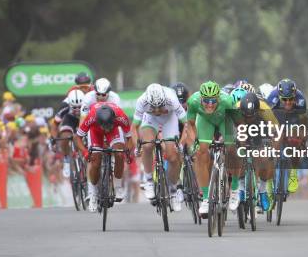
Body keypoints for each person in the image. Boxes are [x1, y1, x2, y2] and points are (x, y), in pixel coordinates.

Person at [180, 81, 241, 217]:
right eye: (206, 100)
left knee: (232, 149)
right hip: (205, 121)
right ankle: (206, 198)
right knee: (201, 153)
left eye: (213, 100)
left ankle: (235, 189)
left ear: (218, 98)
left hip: (225, 120)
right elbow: (190, 124)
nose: (210, 104)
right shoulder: (193, 102)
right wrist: (194, 143)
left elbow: (239, 123)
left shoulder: (228, 101)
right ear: (201, 98)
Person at [132, 83, 187, 211]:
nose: (157, 111)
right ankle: (149, 180)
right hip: (150, 120)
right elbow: (134, 127)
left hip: (169, 120)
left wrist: (181, 143)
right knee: (147, 145)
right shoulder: (142, 101)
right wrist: (137, 146)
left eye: (160, 107)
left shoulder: (171, 100)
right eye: (153, 107)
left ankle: (173, 191)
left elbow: (187, 124)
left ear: (164, 101)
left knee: (173, 157)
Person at [74, 102, 132, 213]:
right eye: (104, 126)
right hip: (95, 132)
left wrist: (127, 153)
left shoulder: (121, 116)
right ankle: (93, 194)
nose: (105, 129)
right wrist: (85, 152)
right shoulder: (91, 117)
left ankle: (118, 186)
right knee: (95, 161)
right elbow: (77, 138)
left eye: (108, 126)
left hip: (114, 131)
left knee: (119, 154)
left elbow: (130, 138)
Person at [235, 92, 278, 213]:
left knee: (264, 157)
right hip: (241, 126)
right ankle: (242, 188)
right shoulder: (236, 109)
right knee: (237, 153)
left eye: (251, 116)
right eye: (246, 116)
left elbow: (277, 132)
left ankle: (263, 191)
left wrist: (273, 150)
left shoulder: (265, 110)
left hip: (259, 126)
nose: (249, 118)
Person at [265, 78, 307, 193]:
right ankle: (269, 179)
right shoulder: (272, 99)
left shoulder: (301, 100)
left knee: (297, 142)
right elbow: (266, 120)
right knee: (276, 138)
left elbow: (303, 121)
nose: (288, 102)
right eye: (284, 99)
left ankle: (293, 173)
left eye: (290, 99)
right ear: (279, 97)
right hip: (276, 117)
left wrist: (302, 137)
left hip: (293, 117)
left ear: (295, 96)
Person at [52, 89, 85, 178]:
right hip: (70, 119)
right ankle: (66, 158)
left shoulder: (88, 102)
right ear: (70, 104)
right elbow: (55, 125)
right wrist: (53, 140)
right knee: (65, 136)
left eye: (80, 107)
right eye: (74, 107)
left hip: (84, 118)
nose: (78, 110)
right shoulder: (64, 106)